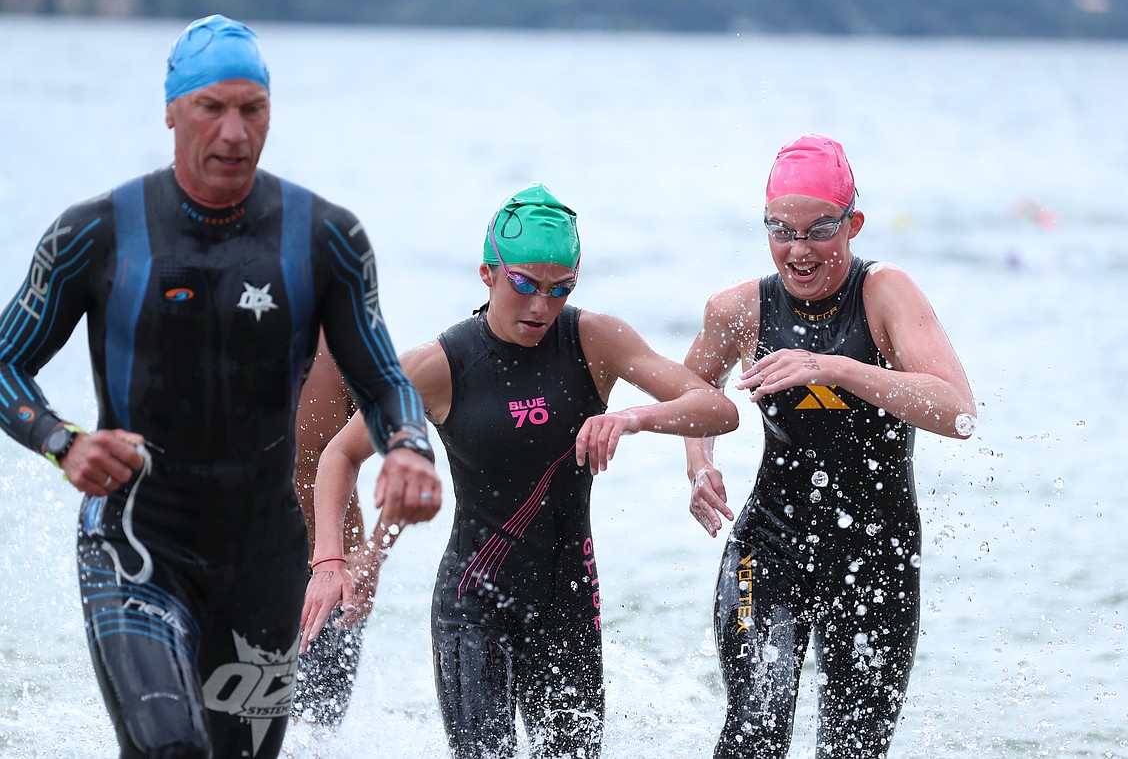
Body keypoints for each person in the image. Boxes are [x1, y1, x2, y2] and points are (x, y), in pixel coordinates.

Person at [0, 15, 441, 759]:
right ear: (172, 110)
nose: (235, 133)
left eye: (253, 109)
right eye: (212, 108)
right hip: (138, 542)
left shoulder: (324, 237)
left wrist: (409, 448)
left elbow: (384, 380)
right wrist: (62, 442)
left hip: (265, 559)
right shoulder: (96, 233)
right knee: (173, 748)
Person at [301, 183, 740, 759]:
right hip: (472, 606)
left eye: (561, 289)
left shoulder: (594, 339)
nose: (541, 307)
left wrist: (633, 417)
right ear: (489, 273)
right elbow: (339, 454)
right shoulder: (440, 364)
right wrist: (330, 561)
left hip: (570, 600)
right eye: (525, 285)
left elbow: (719, 408)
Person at [683, 134, 976, 759]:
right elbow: (695, 392)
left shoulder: (884, 293)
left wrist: (836, 368)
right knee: (755, 731)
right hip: (769, 546)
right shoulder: (740, 308)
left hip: (878, 556)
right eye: (780, 230)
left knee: (852, 749)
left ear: (853, 224)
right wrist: (700, 464)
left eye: (819, 230)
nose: (799, 250)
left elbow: (957, 412)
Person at [291, 332, 397, 729]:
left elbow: (407, 454)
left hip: (332, 575)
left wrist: (375, 554)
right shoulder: (200, 339)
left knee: (314, 738)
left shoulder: (342, 344)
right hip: (231, 568)